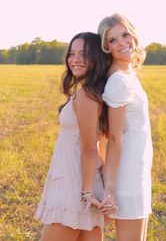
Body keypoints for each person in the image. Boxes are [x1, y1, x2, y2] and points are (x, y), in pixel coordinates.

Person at [36, 32, 115, 241]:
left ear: (97, 58)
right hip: (82, 181)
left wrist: (86, 194)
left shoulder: (87, 95)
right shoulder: (91, 91)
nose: (75, 59)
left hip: (75, 185)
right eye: (72, 53)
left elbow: (90, 148)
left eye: (84, 54)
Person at [97, 14, 153, 241]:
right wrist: (109, 189)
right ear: (106, 47)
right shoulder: (119, 81)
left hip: (138, 171)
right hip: (128, 177)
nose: (122, 42)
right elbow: (115, 138)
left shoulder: (128, 74)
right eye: (113, 40)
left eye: (125, 34)